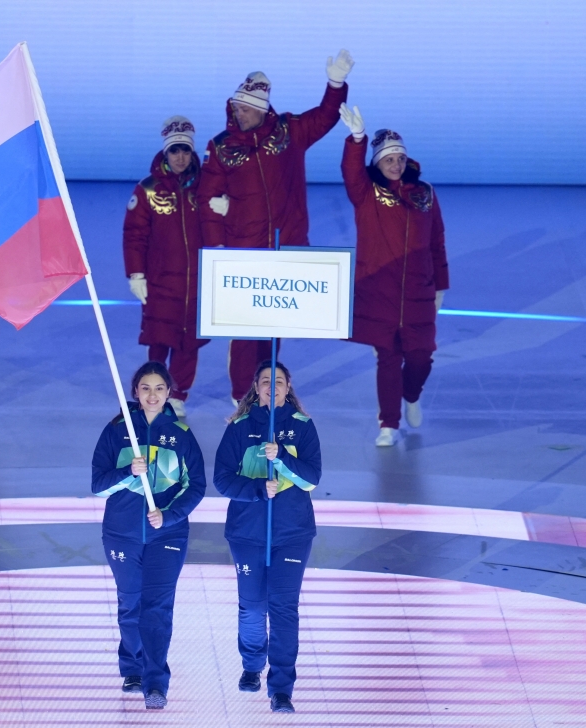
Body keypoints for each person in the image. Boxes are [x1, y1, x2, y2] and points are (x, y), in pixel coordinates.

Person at [198, 51, 354, 403]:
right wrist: (216, 247)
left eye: (247, 108)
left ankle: (265, 393)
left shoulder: (289, 132)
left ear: (263, 109)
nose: (241, 113)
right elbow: (207, 198)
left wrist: (335, 85)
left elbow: (325, 116)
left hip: (287, 249)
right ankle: (241, 397)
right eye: (237, 107)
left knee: (272, 330)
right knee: (243, 331)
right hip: (243, 251)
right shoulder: (221, 147)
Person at [91, 361, 207, 710]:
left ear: (169, 393)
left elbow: (197, 486)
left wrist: (169, 515)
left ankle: (156, 681)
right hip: (121, 534)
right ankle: (132, 667)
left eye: (159, 388)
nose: (152, 395)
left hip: (167, 535)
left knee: (156, 607)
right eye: (145, 388)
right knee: (131, 605)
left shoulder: (182, 434)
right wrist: (129, 471)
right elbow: (97, 486)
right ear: (135, 392)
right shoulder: (116, 430)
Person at [213, 361, 322, 713]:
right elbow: (223, 480)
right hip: (248, 534)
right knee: (253, 605)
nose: (271, 386)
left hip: (292, 533)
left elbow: (310, 480)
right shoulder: (239, 428)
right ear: (256, 388)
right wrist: (260, 488)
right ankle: (251, 664)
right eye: (265, 381)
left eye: (278, 381)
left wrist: (284, 459)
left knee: (284, 609)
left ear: (288, 386)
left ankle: (281, 688)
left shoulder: (303, 427)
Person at [339, 104, 450, 446]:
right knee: (388, 357)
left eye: (400, 158)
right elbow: (350, 171)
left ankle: (412, 395)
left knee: (421, 355)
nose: (396, 164)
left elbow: (437, 241)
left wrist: (441, 285)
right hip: (379, 290)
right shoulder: (366, 193)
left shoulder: (425, 194)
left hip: (418, 289)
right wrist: (357, 138)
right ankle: (388, 423)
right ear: (377, 162)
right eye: (389, 159)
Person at [123, 117, 210, 419]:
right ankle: (152, 391)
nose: (180, 157)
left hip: (197, 282)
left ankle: (179, 394)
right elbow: (134, 235)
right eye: (174, 151)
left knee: (189, 343)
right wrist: (136, 273)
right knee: (159, 340)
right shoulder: (147, 190)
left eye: (185, 150)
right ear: (165, 153)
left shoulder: (205, 185)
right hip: (161, 282)